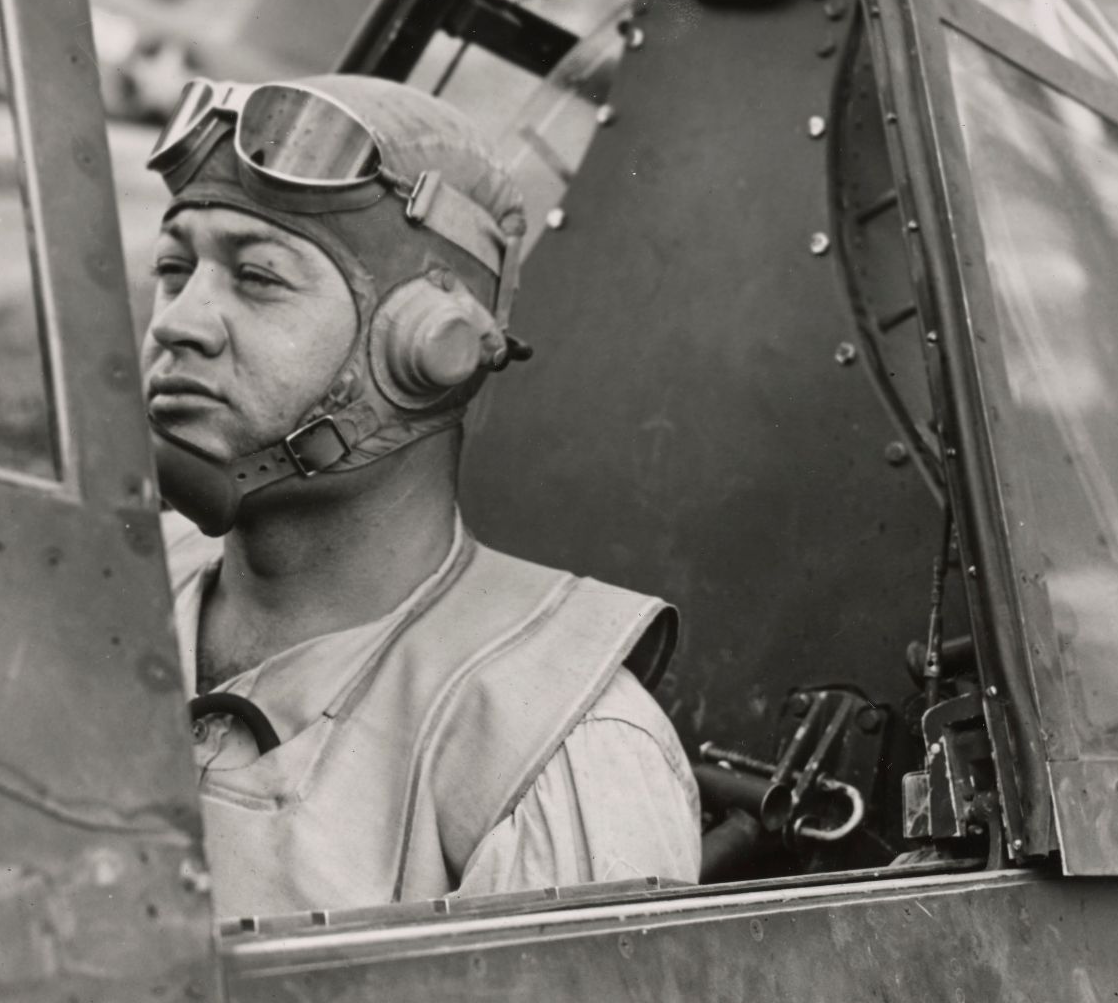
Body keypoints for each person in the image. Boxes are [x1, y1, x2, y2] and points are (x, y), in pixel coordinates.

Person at [142, 74, 700, 918]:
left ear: (426, 350)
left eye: (258, 279)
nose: (179, 321)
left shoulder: (554, 750)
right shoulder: (105, 588)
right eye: (176, 268)